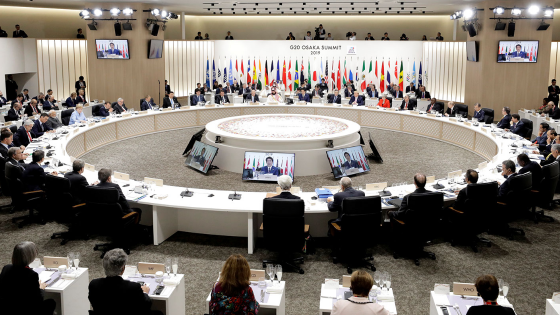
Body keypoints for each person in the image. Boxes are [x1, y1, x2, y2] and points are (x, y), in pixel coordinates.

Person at [89, 248, 162, 315]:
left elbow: (93, 302)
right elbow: (146, 304)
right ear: (123, 268)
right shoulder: (133, 287)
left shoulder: (94, 284)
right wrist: (145, 292)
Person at [0, 241, 56, 315]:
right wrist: (41, 288)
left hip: (6, 308)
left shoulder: (6, 268)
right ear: (30, 256)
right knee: (51, 302)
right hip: (25, 310)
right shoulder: (31, 275)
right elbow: (38, 300)